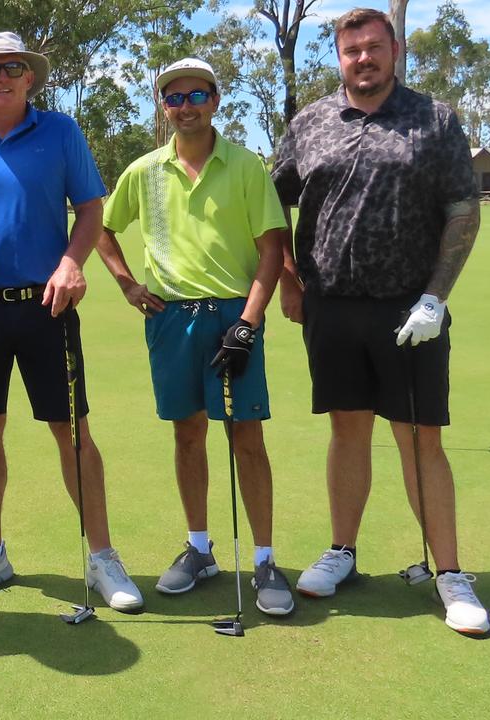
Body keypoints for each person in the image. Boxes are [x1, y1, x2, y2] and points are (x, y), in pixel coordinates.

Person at [0, 31, 144, 612]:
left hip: (49, 305)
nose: (1, 76)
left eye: (12, 67)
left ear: (30, 76)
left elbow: (90, 207)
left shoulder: (60, 132)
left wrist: (71, 263)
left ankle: (102, 556)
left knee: (71, 429)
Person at [272, 8, 489, 635]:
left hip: (409, 309)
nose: (362, 58)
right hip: (332, 307)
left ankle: (449, 572)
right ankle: (342, 550)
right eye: (350, 50)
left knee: (421, 437)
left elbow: (462, 212)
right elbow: (271, 205)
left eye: (372, 47)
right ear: (338, 57)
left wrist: (436, 297)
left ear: (394, 48)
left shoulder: (435, 119)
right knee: (347, 430)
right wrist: (290, 280)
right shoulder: (311, 121)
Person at [97, 58, 293, 615]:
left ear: (215, 100)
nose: (185, 106)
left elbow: (272, 250)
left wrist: (248, 323)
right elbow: (103, 229)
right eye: (174, 98)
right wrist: (127, 285)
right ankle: (201, 548)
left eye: (196, 95)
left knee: (246, 439)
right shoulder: (143, 171)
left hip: (232, 312)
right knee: (187, 435)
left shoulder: (247, 166)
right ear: (164, 108)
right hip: (170, 319)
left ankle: (263, 559)